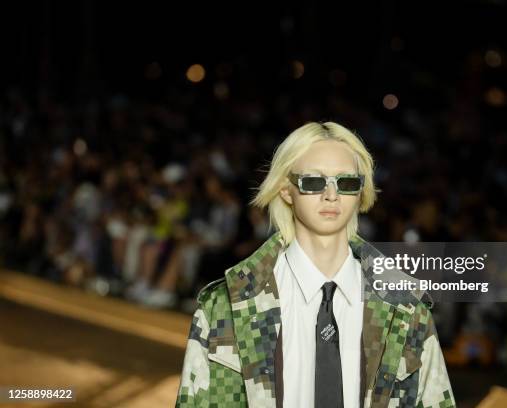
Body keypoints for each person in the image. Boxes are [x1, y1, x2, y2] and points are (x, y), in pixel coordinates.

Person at [175, 122, 456, 407]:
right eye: (313, 182)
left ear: (360, 192)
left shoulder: (406, 310)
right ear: (286, 190)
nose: (331, 195)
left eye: (346, 183)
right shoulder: (225, 307)